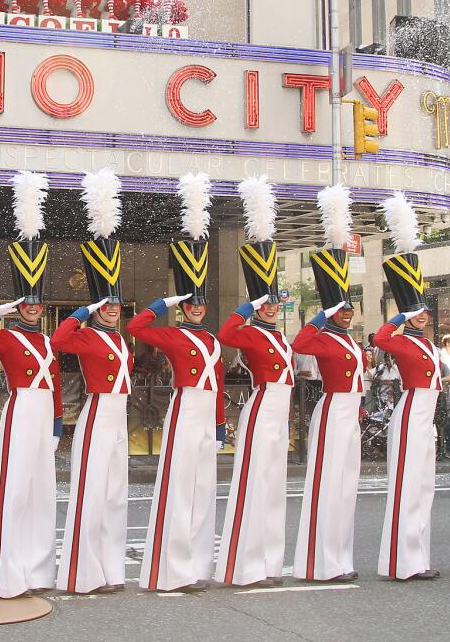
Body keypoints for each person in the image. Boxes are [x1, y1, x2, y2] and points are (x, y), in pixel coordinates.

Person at [0, 172, 62, 599]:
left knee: (42, 492)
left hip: (43, 416)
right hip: (19, 409)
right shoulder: (4, 334)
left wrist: (58, 421)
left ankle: (38, 570)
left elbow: (55, 384)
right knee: (15, 488)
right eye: (28, 303)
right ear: (21, 305)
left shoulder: (48, 340)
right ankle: (5, 571)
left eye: (38, 303)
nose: (35, 309)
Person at [129, 173, 223, 594]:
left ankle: (197, 564)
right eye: (192, 304)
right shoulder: (172, 334)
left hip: (207, 415)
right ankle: (174, 568)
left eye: (201, 303)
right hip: (184, 409)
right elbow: (136, 324)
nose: (198, 309)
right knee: (181, 488)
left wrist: (221, 424)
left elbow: (218, 384)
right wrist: (166, 301)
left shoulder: (214, 340)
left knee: (204, 489)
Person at [54, 169, 132, 595]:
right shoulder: (86, 335)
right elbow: (58, 340)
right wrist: (84, 310)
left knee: (116, 495)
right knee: (92, 495)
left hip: (119, 415)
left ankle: (111, 568)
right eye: (108, 304)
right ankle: (83, 572)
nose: (114, 309)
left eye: (117, 304)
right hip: (98, 411)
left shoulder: (121, 339)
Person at [216, 178, 293, 588]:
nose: (272, 308)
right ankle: (245, 565)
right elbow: (227, 333)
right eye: (268, 303)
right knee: (254, 483)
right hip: (262, 406)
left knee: (275, 486)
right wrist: (247, 304)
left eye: (275, 302)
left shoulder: (280, 336)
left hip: (280, 413)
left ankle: (270, 563)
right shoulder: (249, 331)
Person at [292, 184, 364, 583]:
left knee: (346, 487)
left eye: (350, 310)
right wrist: (321, 315)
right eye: (343, 311)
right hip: (333, 408)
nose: (348, 316)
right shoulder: (322, 335)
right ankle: (320, 562)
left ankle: (340, 558)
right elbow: (301, 344)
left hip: (350, 410)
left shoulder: (350, 339)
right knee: (328, 484)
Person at [373, 192, 441, 582]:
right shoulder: (401, 339)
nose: (422, 318)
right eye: (417, 315)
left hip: (427, 414)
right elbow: (381, 338)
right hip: (412, 409)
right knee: (407, 488)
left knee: (424, 488)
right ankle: (402, 561)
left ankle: (418, 558)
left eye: (424, 313)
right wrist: (399, 314)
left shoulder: (428, 343)